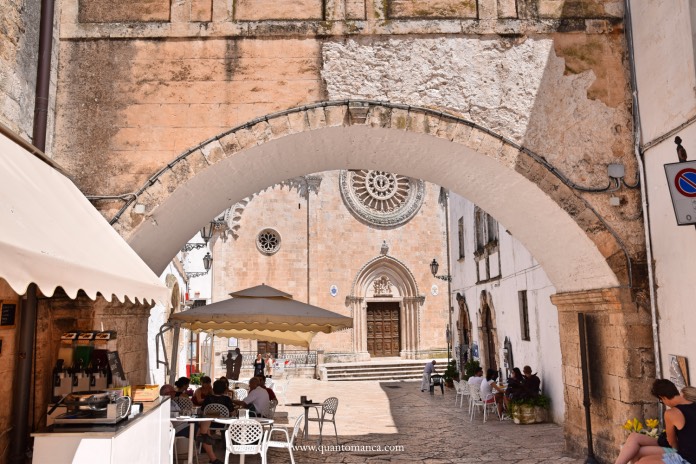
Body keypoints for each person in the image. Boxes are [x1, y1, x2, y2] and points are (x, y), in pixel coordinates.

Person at [615, 379, 696, 464]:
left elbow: (672, 443)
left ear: (663, 397)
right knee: (634, 438)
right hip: (682, 448)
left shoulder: (671, 413)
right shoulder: (691, 405)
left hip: (685, 454)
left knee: (639, 455)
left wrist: (676, 451)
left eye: (661, 401)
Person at [196, 379, 234, 464]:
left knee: (203, 427)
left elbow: (202, 411)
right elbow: (232, 413)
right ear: (225, 389)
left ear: (213, 388)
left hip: (210, 423)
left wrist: (213, 412)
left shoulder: (208, 398)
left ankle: (204, 438)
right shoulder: (227, 399)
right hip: (223, 424)